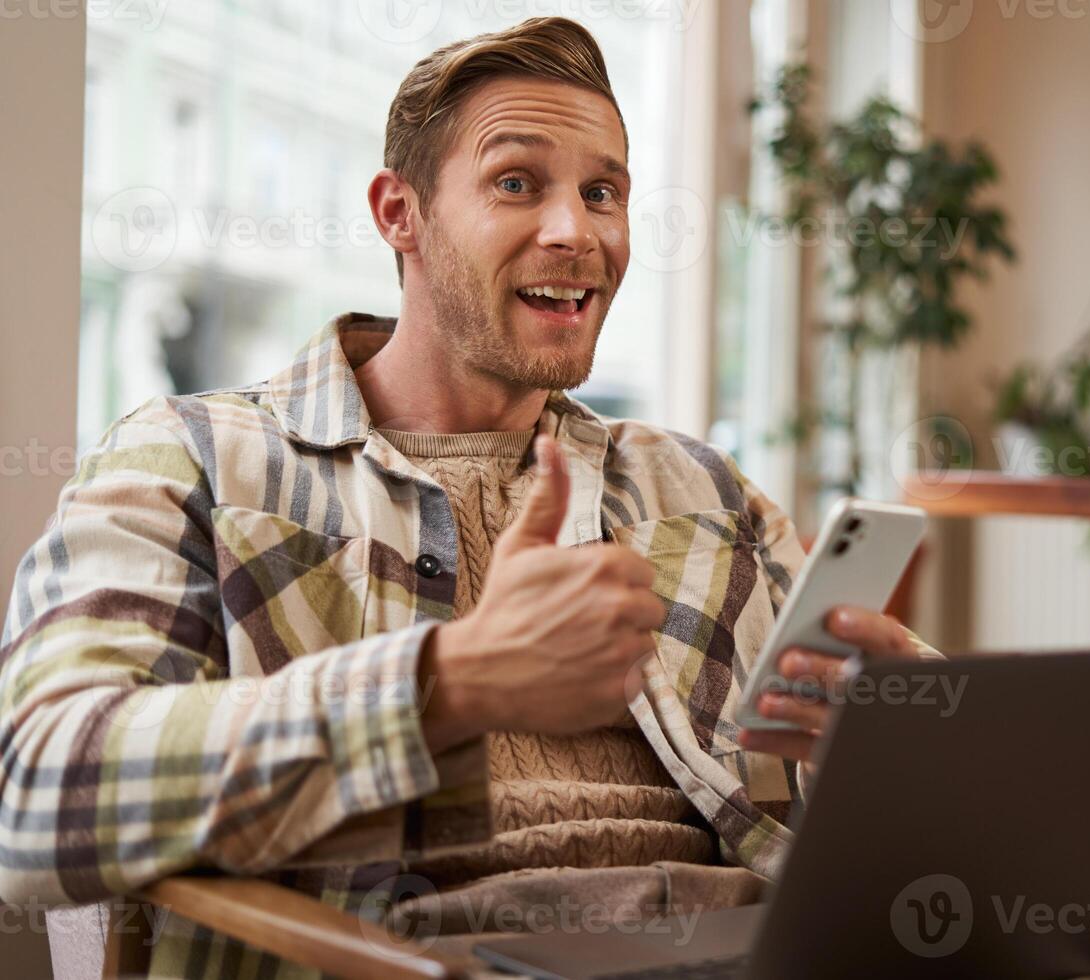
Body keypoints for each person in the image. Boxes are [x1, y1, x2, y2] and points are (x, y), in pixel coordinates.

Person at [0, 17, 932, 977]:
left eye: (602, 192)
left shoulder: (698, 486)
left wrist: (908, 731)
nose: (577, 231)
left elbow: (873, 806)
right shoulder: (189, 459)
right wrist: (446, 684)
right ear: (399, 213)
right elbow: (39, 795)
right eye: (518, 183)